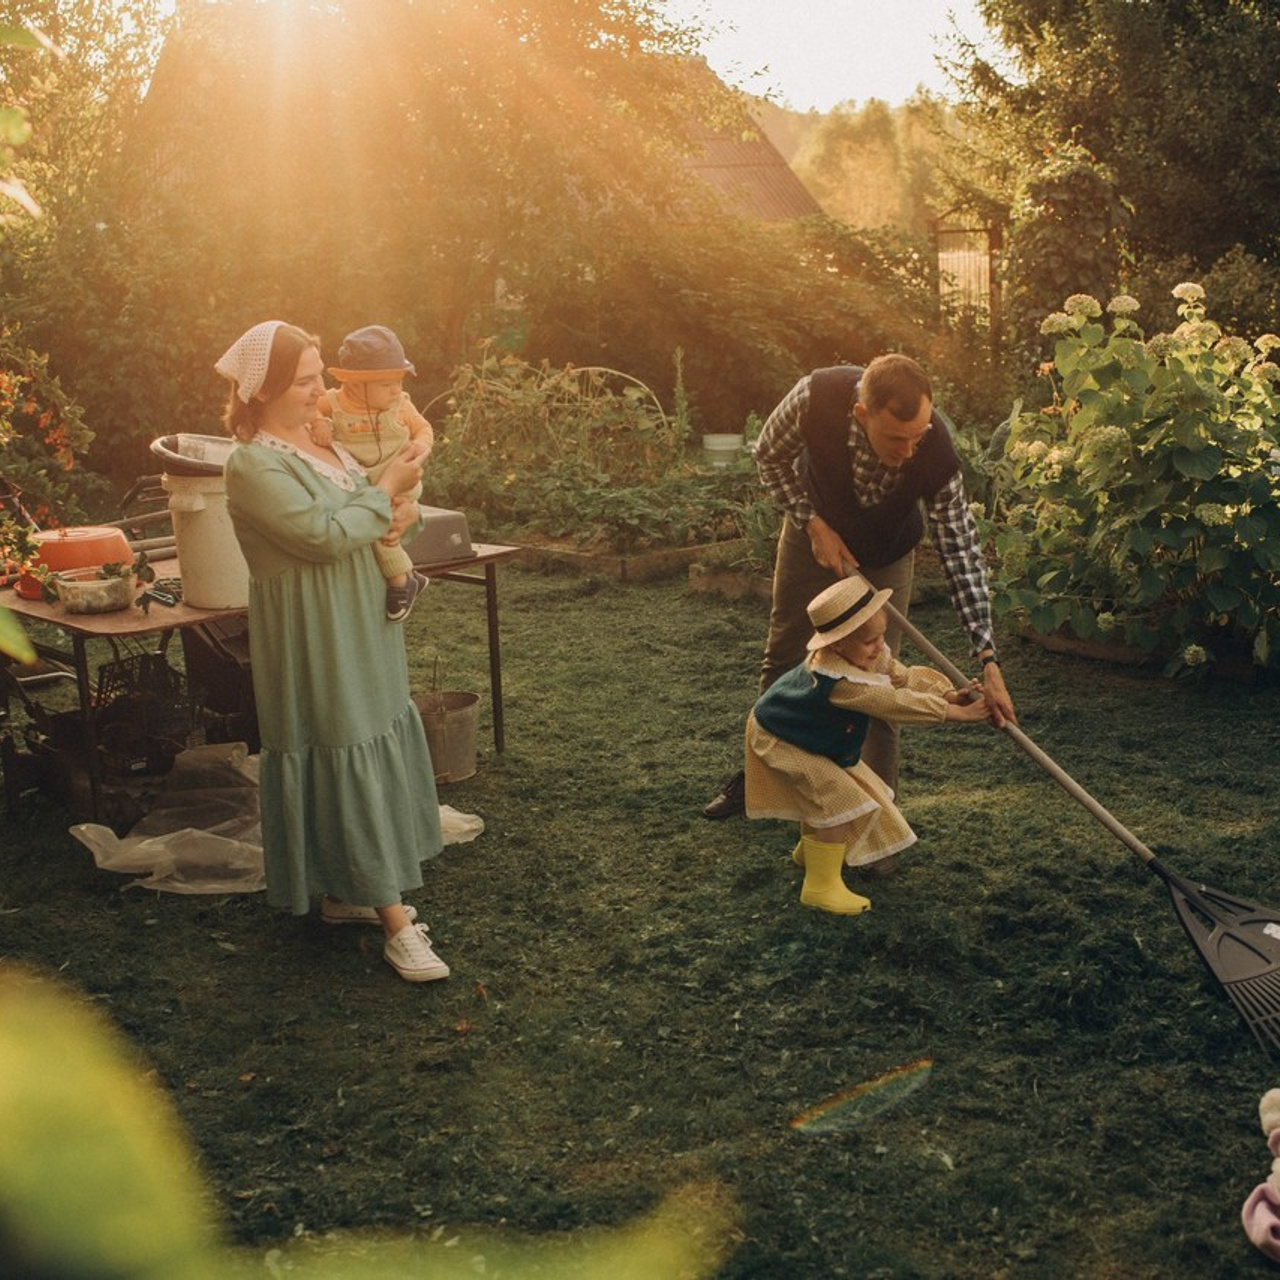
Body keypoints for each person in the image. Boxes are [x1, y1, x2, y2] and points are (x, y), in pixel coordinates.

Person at [216, 319, 449, 984]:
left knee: (370, 727)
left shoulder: (320, 441)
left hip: (357, 613)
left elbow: (372, 510)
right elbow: (321, 535)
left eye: (320, 377)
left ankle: (350, 890)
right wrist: (382, 495)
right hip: (313, 626)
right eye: (307, 381)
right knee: (341, 738)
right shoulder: (252, 465)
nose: (321, 392)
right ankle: (395, 923)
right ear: (260, 391)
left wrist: (404, 510)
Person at [704, 354, 1016, 835]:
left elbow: (961, 551)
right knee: (786, 655)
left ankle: (877, 817)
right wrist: (811, 523)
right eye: (897, 438)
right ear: (862, 415)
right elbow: (768, 454)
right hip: (816, 534)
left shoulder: (934, 450)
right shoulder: (816, 396)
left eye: (919, 435)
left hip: (888, 550)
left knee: (879, 674)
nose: (911, 450)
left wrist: (988, 661)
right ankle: (763, 781)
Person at [745, 573, 989, 915]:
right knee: (836, 794)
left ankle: (811, 852)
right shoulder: (842, 682)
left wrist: (946, 693)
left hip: (803, 732)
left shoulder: (864, 652)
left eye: (881, 637)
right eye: (869, 642)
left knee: (828, 790)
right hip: (780, 737)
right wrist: (955, 714)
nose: (879, 647)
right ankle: (820, 886)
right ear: (837, 646)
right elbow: (893, 702)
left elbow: (900, 676)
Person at [308, 324, 435, 622]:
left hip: (401, 478)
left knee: (382, 527)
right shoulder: (335, 402)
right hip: (366, 484)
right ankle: (411, 577)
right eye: (385, 384)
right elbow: (312, 407)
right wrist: (319, 422)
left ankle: (400, 582)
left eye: (399, 382)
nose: (395, 390)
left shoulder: (401, 406)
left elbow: (424, 429)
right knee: (372, 516)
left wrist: (419, 447)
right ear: (352, 383)